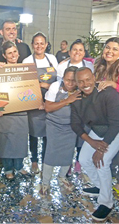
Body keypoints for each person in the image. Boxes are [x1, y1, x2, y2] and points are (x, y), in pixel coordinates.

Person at [71, 67, 119, 221]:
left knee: (102, 162)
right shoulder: (76, 98)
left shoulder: (108, 93)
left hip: (115, 130)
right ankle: (101, 187)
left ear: (94, 77)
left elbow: (116, 123)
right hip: (97, 131)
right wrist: (92, 142)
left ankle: (107, 202)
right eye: (81, 81)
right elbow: (75, 124)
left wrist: (102, 148)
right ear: (77, 83)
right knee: (84, 159)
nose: (85, 84)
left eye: (88, 79)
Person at [39, 66, 80, 196]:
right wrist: (68, 100)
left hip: (71, 126)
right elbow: (48, 107)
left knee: (68, 153)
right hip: (54, 125)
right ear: (63, 79)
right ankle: (45, 183)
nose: (70, 83)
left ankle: (62, 177)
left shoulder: (79, 89)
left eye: (74, 81)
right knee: (50, 153)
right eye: (68, 80)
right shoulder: (55, 87)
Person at [0, 41, 31, 180]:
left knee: (20, 141)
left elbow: (31, 89)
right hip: (5, 113)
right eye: (9, 53)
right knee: (6, 141)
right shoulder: (0, 69)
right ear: (4, 55)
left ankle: (19, 166)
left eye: (15, 52)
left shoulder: (26, 69)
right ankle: (8, 168)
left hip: (21, 113)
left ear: (19, 53)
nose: (13, 55)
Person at [56, 39, 94, 175]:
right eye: (74, 49)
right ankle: (67, 163)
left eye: (80, 50)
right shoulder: (62, 66)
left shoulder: (90, 65)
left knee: (82, 132)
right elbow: (60, 86)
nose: (77, 52)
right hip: (67, 103)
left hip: (85, 104)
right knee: (69, 134)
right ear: (69, 52)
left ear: (84, 53)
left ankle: (78, 162)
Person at [22, 32, 58, 174]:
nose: (39, 46)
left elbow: (59, 80)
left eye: (42, 43)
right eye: (36, 43)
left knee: (47, 133)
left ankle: (45, 160)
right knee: (34, 133)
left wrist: (48, 86)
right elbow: (24, 84)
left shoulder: (52, 59)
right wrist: (37, 87)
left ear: (46, 45)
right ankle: (34, 161)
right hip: (34, 103)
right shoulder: (27, 61)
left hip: (50, 102)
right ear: (32, 45)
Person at [94, 37, 119, 194]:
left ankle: (107, 196)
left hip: (116, 120)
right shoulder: (99, 67)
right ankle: (103, 188)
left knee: (107, 158)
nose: (110, 51)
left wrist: (114, 84)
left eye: (115, 49)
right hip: (104, 120)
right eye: (107, 47)